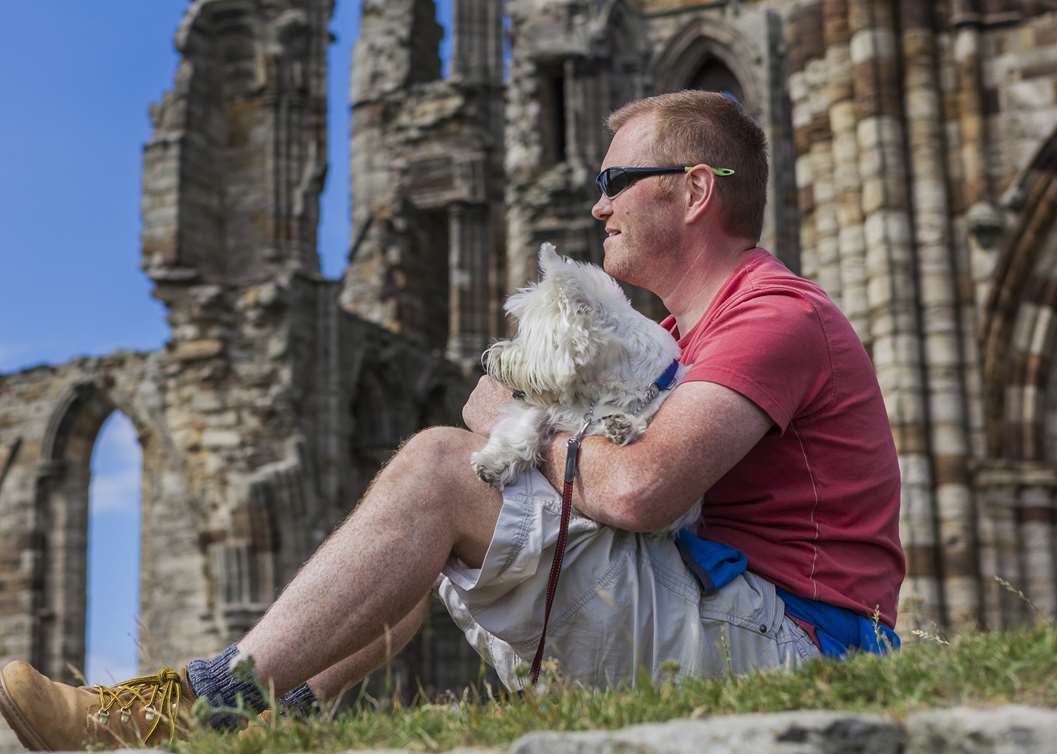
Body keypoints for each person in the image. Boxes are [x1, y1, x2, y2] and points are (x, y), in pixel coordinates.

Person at [0, 91, 904, 749]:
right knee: (448, 508)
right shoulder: (678, 335)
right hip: (726, 612)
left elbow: (640, 490)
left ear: (696, 191)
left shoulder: (773, 315)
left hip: (800, 650)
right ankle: (276, 713)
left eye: (618, 180)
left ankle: (194, 706)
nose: (598, 204)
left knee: (444, 467)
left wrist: (521, 428)